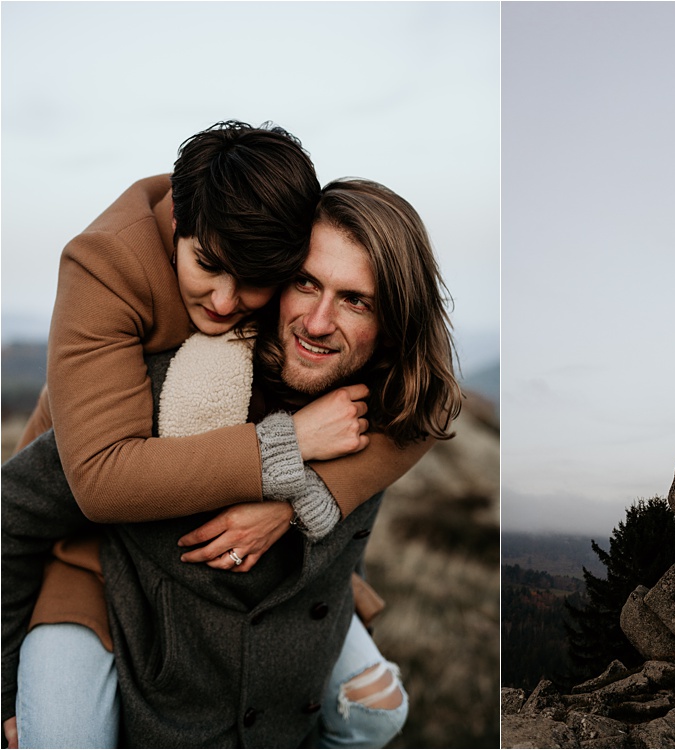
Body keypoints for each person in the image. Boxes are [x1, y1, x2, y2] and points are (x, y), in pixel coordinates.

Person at [0, 121, 436, 747]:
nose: (228, 304)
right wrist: (287, 448)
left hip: (234, 584)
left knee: (379, 709)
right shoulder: (106, 270)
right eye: (208, 265)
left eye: (258, 277)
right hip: (79, 531)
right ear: (178, 222)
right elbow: (90, 482)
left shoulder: (316, 331)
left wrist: (298, 502)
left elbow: (426, 400)